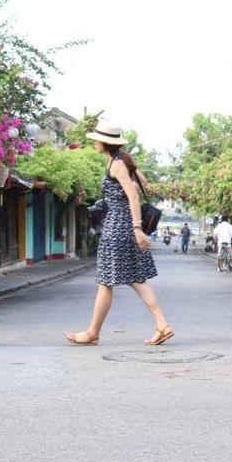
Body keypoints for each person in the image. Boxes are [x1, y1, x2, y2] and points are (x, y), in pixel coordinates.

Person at [66, 123, 174, 346]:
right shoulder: (120, 162)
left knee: (106, 282)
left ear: (105, 142)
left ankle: (92, 333)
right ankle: (162, 325)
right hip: (122, 226)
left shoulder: (116, 165)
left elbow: (134, 196)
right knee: (135, 279)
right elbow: (142, 183)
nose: (94, 142)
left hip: (118, 227)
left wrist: (137, 229)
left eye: (96, 139)